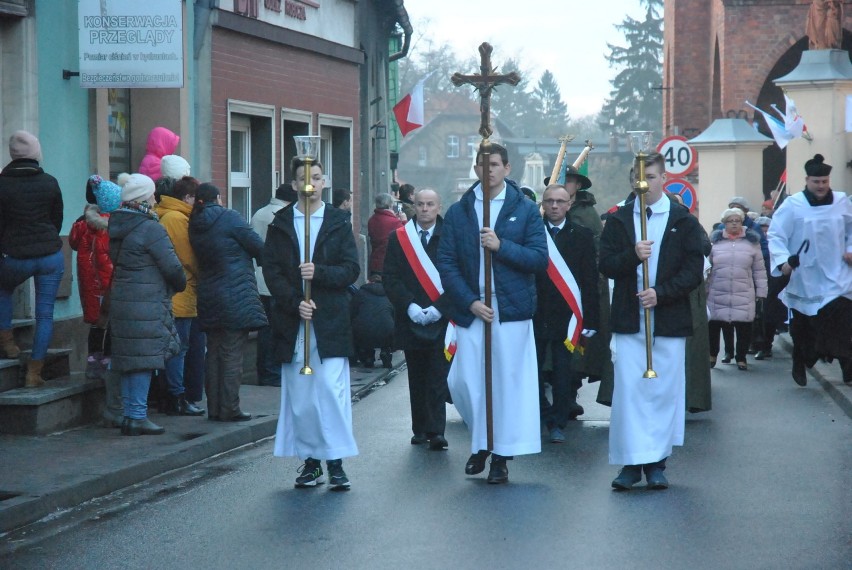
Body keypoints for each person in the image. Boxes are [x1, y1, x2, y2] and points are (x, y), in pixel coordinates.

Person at [437, 143, 548, 484]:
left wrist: (501, 247)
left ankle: (499, 455)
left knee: (506, 384)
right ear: (475, 168)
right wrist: (469, 300)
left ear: (507, 168)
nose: (489, 170)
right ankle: (481, 439)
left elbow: (538, 259)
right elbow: (447, 262)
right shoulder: (461, 211)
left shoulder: (525, 209)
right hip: (473, 308)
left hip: (511, 309)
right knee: (465, 380)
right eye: (482, 164)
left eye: (495, 164)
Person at [599, 152, 704, 490]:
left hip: (669, 318)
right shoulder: (618, 220)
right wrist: (633, 256)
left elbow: (693, 270)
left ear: (663, 179)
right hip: (631, 320)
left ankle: (657, 463)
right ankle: (631, 463)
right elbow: (606, 265)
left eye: (653, 177)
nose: (645, 183)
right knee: (631, 391)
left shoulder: (681, 220)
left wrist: (662, 292)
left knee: (661, 392)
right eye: (639, 178)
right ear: (633, 180)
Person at [264, 158, 360, 490]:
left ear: (324, 182)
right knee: (302, 397)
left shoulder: (337, 222)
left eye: (317, 178)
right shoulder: (281, 223)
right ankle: (311, 462)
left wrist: (319, 272)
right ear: (294, 184)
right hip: (294, 322)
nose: (311, 184)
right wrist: (295, 302)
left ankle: (336, 461)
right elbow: (272, 272)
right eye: (305, 178)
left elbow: (351, 270)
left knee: (330, 392)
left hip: (330, 320)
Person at [108, 173, 186, 435]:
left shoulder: (118, 224)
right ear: (143, 198)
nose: (155, 199)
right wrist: (179, 285)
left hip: (123, 299)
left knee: (130, 359)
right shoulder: (150, 227)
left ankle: (130, 415)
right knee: (142, 359)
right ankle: (138, 415)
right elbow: (173, 266)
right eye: (152, 194)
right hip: (146, 301)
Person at [767, 154, 852, 385]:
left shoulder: (842, 201)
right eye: (816, 182)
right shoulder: (793, 205)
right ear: (807, 180)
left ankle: (847, 366)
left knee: (843, 320)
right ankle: (801, 358)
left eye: (825, 181)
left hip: (839, 273)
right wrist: (784, 261)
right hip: (807, 274)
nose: (821, 186)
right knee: (805, 326)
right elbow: (776, 234)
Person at [189, 183, 267, 421]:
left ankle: (214, 408)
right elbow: (258, 246)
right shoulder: (229, 217)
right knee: (232, 354)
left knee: (213, 352)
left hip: (209, 293)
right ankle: (230, 408)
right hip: (236, 293)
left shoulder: (194, 223)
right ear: (219, 198)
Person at [383, 188, 452, 450]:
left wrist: (440, 308)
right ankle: (420, 428)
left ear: (438, 206)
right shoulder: (399, 238)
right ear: (414, 205)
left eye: (430, 204)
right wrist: (409, 305)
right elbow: (390, 276)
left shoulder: (450, 237)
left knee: (437, 375)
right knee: (417, 375)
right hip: (410, 317)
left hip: (442, 319)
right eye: (420, 204)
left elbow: (457, 276)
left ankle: (436, 431)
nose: (424, 209)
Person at [534, 184, 599, 444]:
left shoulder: (581, 235)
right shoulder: (533, 233)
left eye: (560, 201)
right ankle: (541, 414)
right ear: (543, 203)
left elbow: (589, 279)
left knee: (563, 372)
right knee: (533, 370)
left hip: (567, 314)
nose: (554, 206)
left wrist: (591, 318)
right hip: (536, 313)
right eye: (549, 201)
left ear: (569, 204)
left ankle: (559, 421)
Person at [0, 131, 65, 387]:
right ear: (36, 153)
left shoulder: (2, 184)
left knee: (3, 289)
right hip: (50, 255)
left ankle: (9, 345)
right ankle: (34, 373)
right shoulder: (50, 182)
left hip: (14, 256)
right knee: (45, 315)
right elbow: (56, 218)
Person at [155, 176, 206, 416]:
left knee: (177, 347)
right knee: (179, 348)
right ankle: (176, 397)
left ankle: (173, 396)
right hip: (181, 294)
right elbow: (188, 257)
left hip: (180, 293)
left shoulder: (174, 215)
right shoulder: (176, 218)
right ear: (187, 198)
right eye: (196, 198)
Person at [69, 176, 120, 382]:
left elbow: (73, 243)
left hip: (88, 282)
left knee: (96, 322)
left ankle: (92, 360)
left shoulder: (83, 223)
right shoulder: (110, 226)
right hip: (107, 283)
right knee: (110, 321)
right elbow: (107, 261)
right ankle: (107, 360)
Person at [707, 208, 768, 371]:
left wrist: (761, 292)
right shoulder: (715, 244)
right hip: (718, 290)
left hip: (743, 291)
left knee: (743, 326)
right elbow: (707, 268)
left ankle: (741, 357)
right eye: (730, 221)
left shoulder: (752, 244)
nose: (734, 223)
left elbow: (759, 270)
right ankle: (712, 355)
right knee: (714, 324)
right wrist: (704, 289)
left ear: (742, 223)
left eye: (737, 221)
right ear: (724, 224)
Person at [250, 183, 297, 386]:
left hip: (258, 278)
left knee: (265, 330)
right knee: (275, 329)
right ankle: (272, 372)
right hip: (274, 281)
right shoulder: (283, 216)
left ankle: (265, 370)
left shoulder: (259, 213)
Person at [350, 274, 395, 368]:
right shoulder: (389, 293)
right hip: (387, 329)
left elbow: (352, 312)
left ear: (368, 281)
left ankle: (368, 357)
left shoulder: (360, 293)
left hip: (364, 331)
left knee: (362, 330)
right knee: (387, 330)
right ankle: (386, 351)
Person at [367, 192, 405, 276]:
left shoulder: (372, 220)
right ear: (390, 204)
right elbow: (407, 236)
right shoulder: (394, 222)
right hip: (389, 263)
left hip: (375, 262)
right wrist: (404, 221)